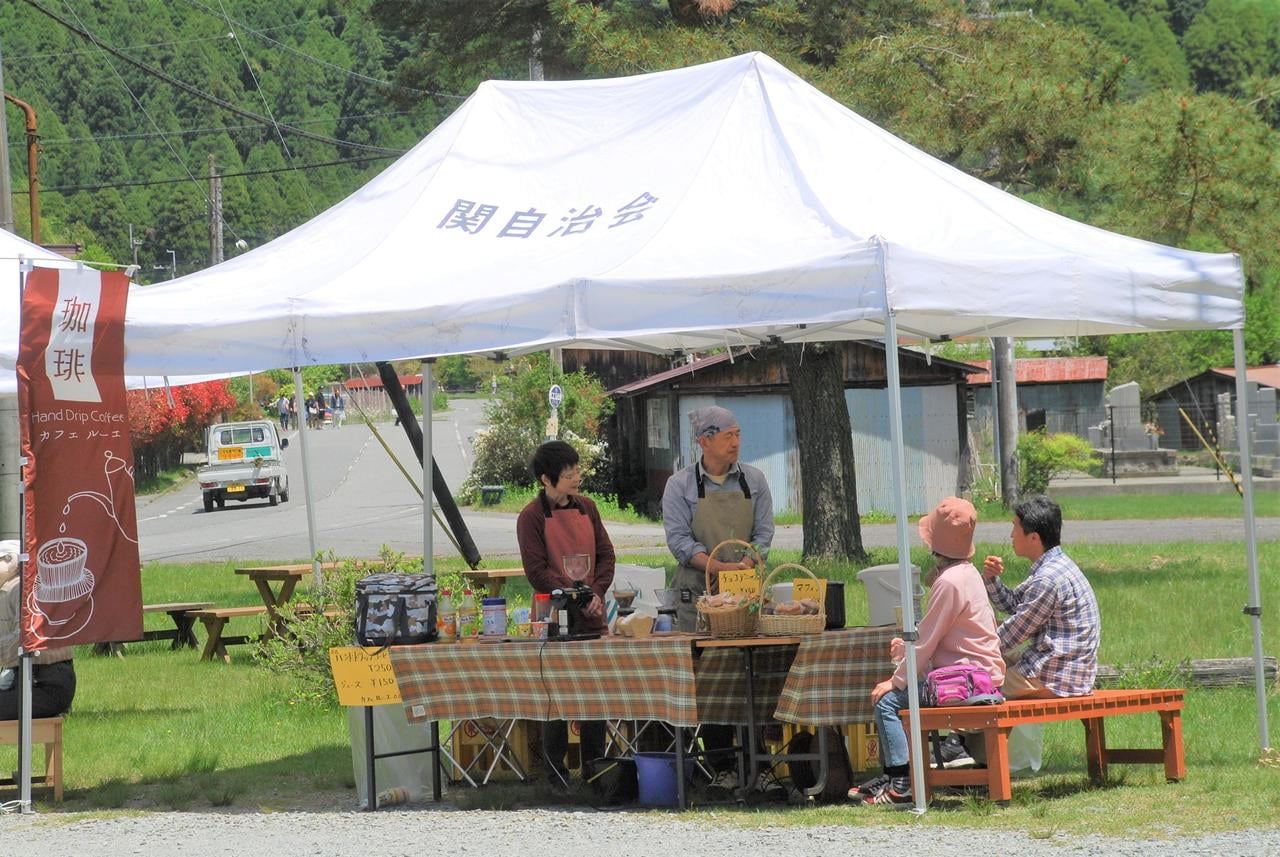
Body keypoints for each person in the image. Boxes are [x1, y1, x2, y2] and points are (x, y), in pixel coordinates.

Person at [848, 497, 1004, 807]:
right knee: (897, 695)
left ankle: (901, 781)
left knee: (887, 701)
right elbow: (934, 637)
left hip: (965, 683)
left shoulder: (949, 583)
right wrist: (906, 655)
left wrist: (896, 679)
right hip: (979, 675)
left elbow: (927, 640)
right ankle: (901, 772)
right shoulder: (967, 573)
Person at [661, 405, 774, 790]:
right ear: (704, 441)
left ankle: (759, 766)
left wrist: (747, 560)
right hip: (698, 596)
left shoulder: (754, 480)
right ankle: (721, 765)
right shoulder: (680, 486)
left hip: (744, 594)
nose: (736, 443)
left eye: (738, 434)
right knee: (709, 681)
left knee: (751, 676)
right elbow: (678, 540)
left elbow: (764, 532)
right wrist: (715, 567)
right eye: (728, 435)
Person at [515, 441, 615, 790]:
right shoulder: (530, 517)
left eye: (577, 470)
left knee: (595, 694)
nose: (576, 477)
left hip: (592, 615)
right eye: (568, 472)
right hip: (553, 615)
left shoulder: (588, 508)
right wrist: (574, 596)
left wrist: (597, 593)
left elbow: (606, 556)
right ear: (546, 478)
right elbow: (536, 570)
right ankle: (555, 775)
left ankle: (595, 770)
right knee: (553, 696)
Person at [982, 494, 1100, 700]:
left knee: (978, 690)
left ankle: (963, 733)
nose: (1011, 535)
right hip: (1066, 670)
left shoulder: (1047, 579)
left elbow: (1012, 635)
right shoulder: (1056, 565)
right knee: (986, 664)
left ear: (1034, 537)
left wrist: (972, 645)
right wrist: (991, 579)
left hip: (1056, 677)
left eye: (1015, 528)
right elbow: (1012, 604)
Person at [0, 543, 77, 720]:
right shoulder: (11, 589)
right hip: (26, 679)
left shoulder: (21, 589)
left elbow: (27, 638)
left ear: (11, 560)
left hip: (43, 683)